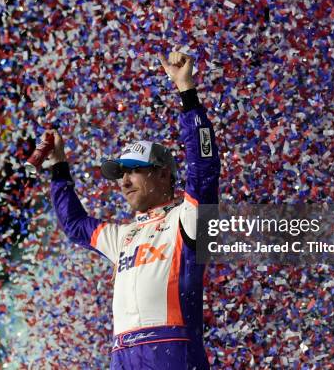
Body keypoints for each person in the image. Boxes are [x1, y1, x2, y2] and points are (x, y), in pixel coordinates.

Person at [44, 51, 220, 369]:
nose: (124, 182)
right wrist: (58, 168)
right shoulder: (123, 235)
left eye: (134, 171)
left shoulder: (187, 219)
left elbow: (204, 168)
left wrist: (187, 92)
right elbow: (74, 223)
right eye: (121, 173)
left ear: (164, 174)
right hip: (122, 354)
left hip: (171, 349)